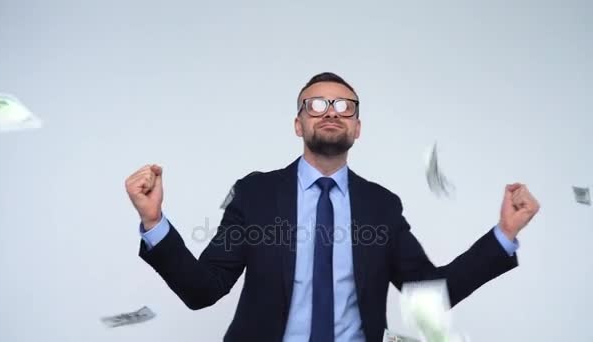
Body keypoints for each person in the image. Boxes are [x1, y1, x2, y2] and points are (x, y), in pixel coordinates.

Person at [124, 72, 540, 342]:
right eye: (316, 105)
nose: (331, 113)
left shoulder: (381, 205)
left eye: (344, 107)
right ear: (298, 124)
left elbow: (427, 296)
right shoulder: (255, 194)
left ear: (357, 128)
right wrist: (154, 221)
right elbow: (203, 290)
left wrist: (504, 234)